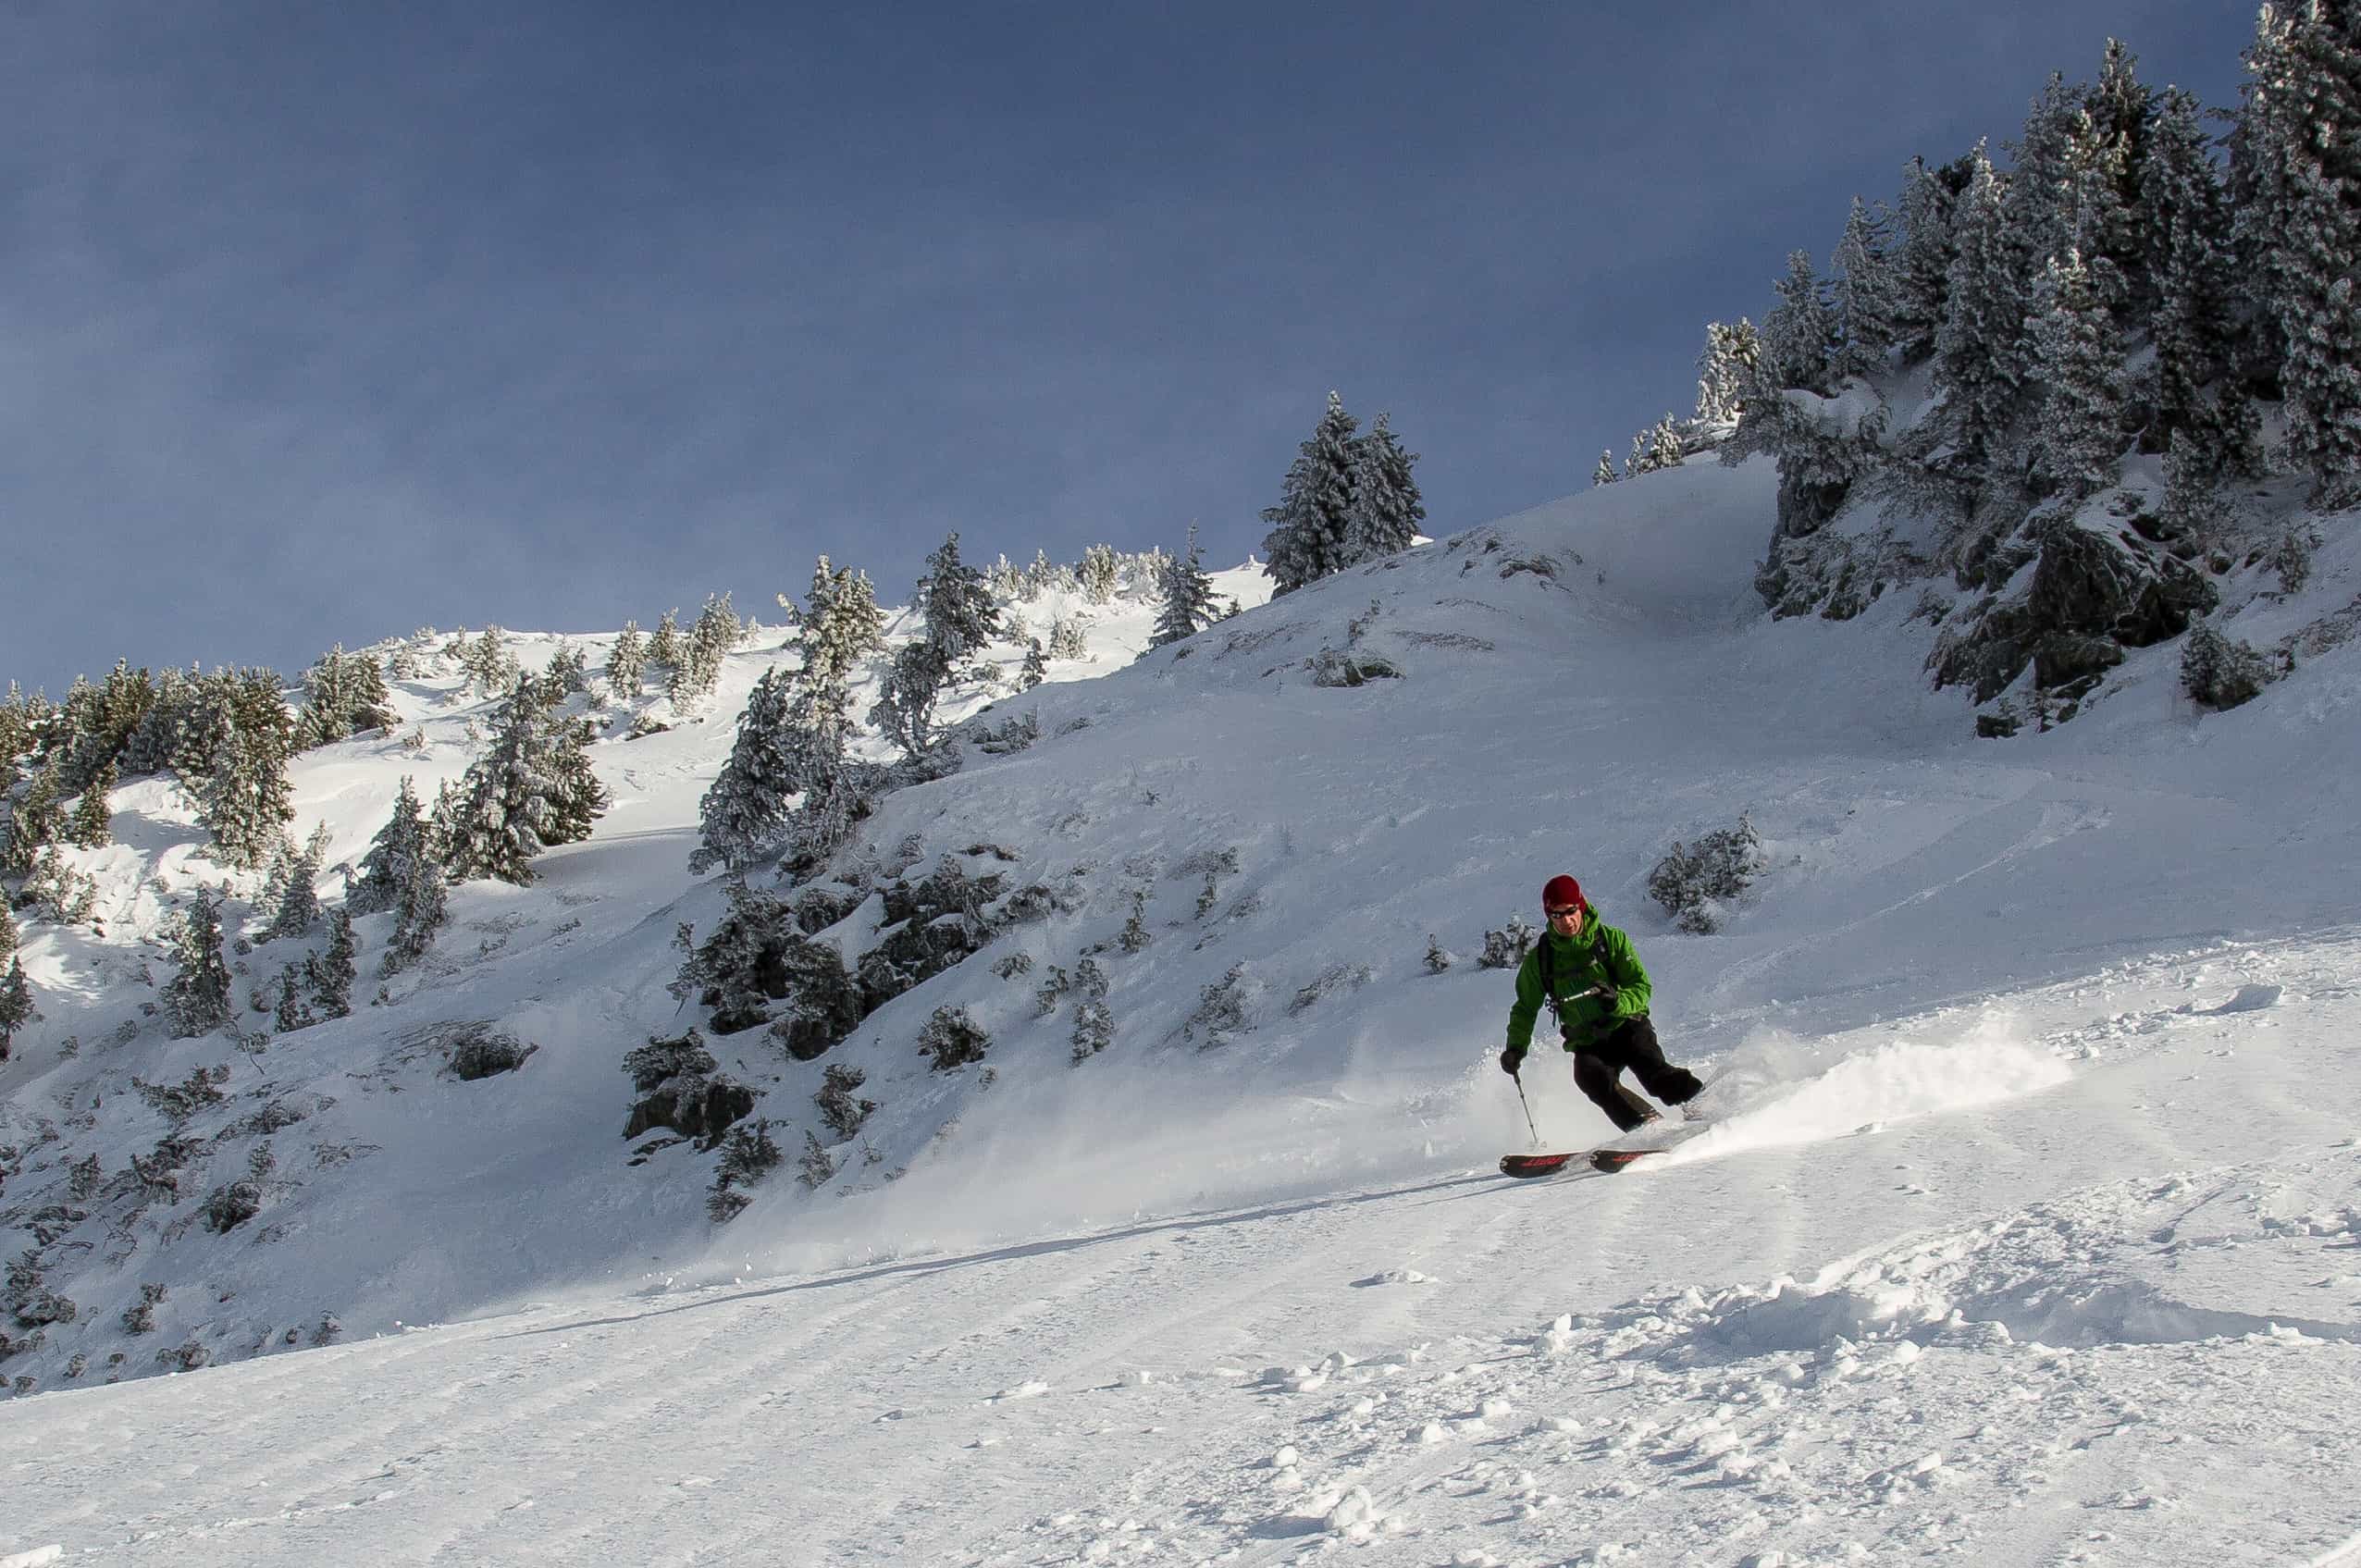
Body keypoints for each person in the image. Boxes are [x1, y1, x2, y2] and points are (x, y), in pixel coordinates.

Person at [1499, 874, 1704, 1132]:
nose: (1566, 921)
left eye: (1571, 911)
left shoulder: (1610, 941)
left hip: (1626, 1026)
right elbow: (1525, 1008)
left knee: (1656, 1077)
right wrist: (1515, 1048)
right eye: (1557, 915)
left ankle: (1708, 1105)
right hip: (1588, 1040)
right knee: (1592, 1079)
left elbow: (1641, 987)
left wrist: (1618, 1002)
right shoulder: (1541, 960)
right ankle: (1646, 1131)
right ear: (1548, 915)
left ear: (1581, 905)